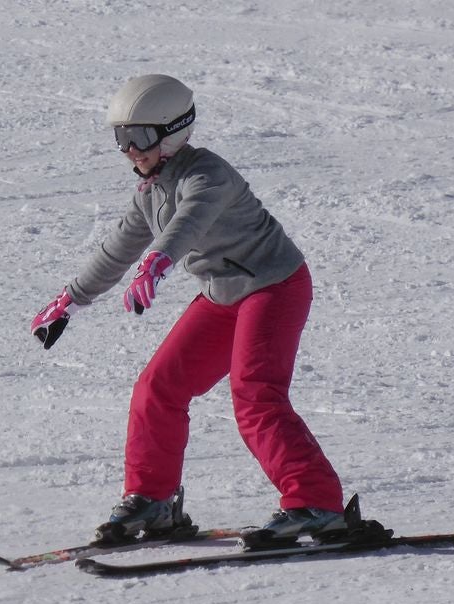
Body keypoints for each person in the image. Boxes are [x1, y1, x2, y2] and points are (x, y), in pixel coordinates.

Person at [30, 75, 345, 548]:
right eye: (121, 139)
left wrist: (158, 262)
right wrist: (71, 298)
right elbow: (117, 249)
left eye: (138, 138)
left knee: (255, 392)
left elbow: (188, 223)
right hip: (224, 295)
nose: (129, 151)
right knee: (158, 386)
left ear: (173, 132)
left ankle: (316, 504)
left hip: (274, 287)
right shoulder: (151, 190)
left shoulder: (207, 175)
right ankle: (152, 502)